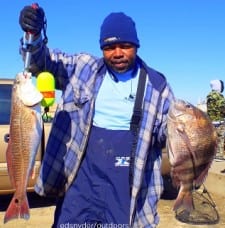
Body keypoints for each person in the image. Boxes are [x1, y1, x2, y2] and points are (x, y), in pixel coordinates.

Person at [19, 4, 174, 227]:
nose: (118, 53)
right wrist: (32, 35)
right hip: (81, 181)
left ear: (137, 46)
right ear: (101, 48)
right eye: (110, 47)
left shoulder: (157, 86)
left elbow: (167, 134)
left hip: (124, 188)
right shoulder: (84, 68)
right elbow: (40, 62)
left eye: (125, 46)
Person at [206, 79, 225, 160]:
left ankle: (213, 155)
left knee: (214, 139)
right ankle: (219, 156)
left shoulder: (209, 95)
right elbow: (223, 108)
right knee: (221, 138)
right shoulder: (219, 96)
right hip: (219, 120)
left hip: (211, 121)